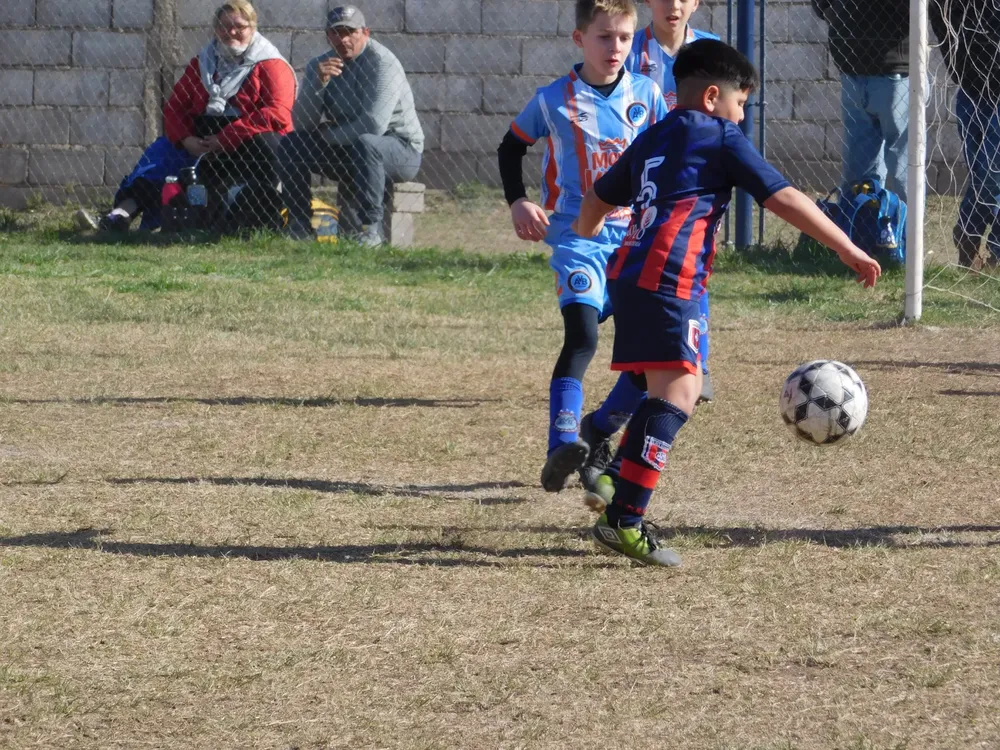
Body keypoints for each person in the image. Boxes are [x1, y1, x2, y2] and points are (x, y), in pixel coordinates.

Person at [573, 39, 881, 566]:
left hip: (633, 273)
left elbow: (598, 198)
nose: (743, 114)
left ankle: (612, 468)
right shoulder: (720, 135)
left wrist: (586, 249)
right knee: (681, 392)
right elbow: (783, 197)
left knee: (659, 384)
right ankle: (624, 519)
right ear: (714, 96)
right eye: (742, 102)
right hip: (670, 275)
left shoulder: (653, 137)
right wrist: (846, 247)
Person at [496, 0, 668, 494]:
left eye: (624, 38)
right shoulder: (553, 99)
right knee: (583, 337)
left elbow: (665, 156)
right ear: (579, 39)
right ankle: (562, 442)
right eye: (603, 37)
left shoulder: (649, 95)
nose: (615, 47)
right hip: (579, 239)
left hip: (635, 241)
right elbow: (511, 146)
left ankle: (600, 432)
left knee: (647, 357)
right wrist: (518, 202)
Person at [77, 0, 295, 232]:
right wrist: (184, 139)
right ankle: (121, 215)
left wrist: (227, 138)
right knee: (163, 154)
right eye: (224, 26)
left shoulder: (271, 64)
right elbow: (175, 107)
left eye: (239, 27)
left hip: (248, 141)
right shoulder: (203, 63)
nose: (231, 32)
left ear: (253, 28)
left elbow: (277, 112)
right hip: (203, 140)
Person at [277, 5, 423, 245]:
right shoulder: (320, 65)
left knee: (368, 144)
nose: (342, 39)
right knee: (292, 144)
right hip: (350, 147)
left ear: (365, 32)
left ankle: (370, 230)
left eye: (349, 32)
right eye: (335, 33)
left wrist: (328, 137)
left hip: (400, 149)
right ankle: (300, 226)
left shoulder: (383, 63)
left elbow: (374, 125)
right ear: (327, 36)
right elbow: (303, 124)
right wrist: (317, 85)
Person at [811, 0, 909, 202]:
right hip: (851, 69)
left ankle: (905, 230)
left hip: (895, 71)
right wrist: (834, 13)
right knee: (857, 169)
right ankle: (860, 226)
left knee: (902, 165)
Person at [929, 0, 1000, 270]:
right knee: (986, 175)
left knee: (989, 176)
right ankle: (974, 239)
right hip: (971, 90)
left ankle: (973, 237)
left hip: (986, 89)